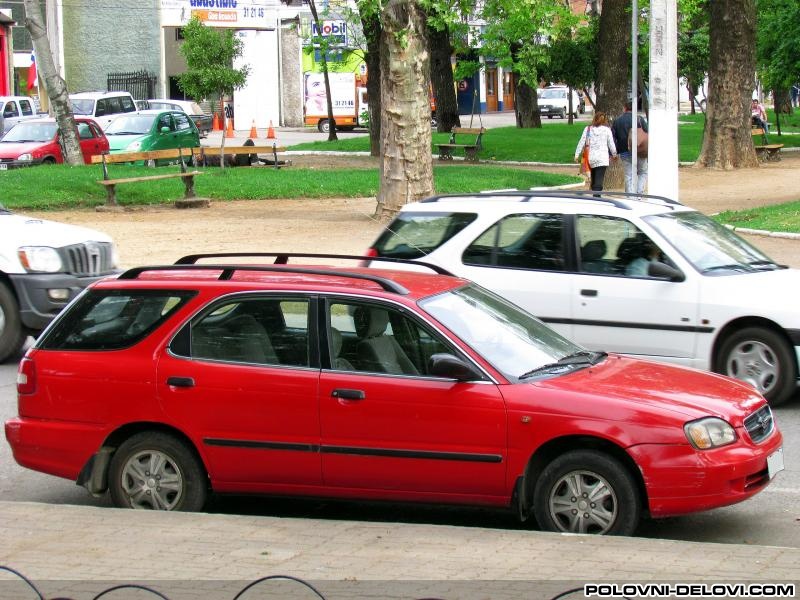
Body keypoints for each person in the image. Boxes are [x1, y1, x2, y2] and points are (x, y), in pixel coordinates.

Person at [574, 112, 617, 193]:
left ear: (594, 119)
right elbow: (611, 144)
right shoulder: (607, 130)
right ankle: (597, 196)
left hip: (591, 158)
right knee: (599, 180)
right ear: (604, 121)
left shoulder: (588, 129)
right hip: (602, 158)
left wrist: (576, 155)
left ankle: (595, 192)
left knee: (593, 178)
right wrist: (614, 154)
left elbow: (581, 142)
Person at [611, 100, 648, 195]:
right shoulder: (639, 119)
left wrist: (613, 153)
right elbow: (646, 133)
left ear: (625, 108)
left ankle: (630, 196)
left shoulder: (617, 121)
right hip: (639, 150)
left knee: (628, 175)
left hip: (624, 151)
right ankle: (639, 193)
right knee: (642, 172)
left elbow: (613, 138)